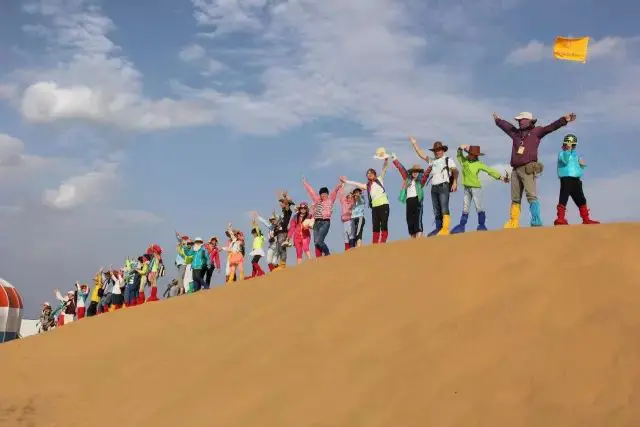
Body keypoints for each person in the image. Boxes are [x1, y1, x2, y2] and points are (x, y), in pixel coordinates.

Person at [493, 111, 576, 228]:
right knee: (515, 197)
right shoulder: (516, 134)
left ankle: (536, 220)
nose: (519, 122)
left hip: (528, 168)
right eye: (518, 121)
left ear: (528, 120)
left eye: (521, 120)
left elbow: (550, 127)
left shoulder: (536, 132)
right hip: (515, 170)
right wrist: (498, 121)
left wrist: (564, 120)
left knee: (531, 195)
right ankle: (514, 222)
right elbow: (507, 127)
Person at [451, 145, 509, 233]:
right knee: (465, 207)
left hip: (476, 188)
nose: (472, 156)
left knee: (479, 207)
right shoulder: (464, 161)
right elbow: (459, 155)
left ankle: (481, 225)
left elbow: (489, 170)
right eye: (471, 154)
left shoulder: (478, 164)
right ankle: (461, 226)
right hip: (467, 188)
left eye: (474, 155)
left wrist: (501, 177)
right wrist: (460, 148)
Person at [411, 139, 458, 236]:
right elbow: (421, 154)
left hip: (444, 186)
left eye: (439, 150)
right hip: (434, 187)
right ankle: (438, 228)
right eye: (436, 150)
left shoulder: (448, 160)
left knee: (444, 207)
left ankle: (445, 229)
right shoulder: (432, 161)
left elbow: (455, 171)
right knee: (436, 209)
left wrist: (455, 182)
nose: (437, 152)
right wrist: (415, 144)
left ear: (443, 150)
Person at [341, 158, 391, 244]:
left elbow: (384, 169)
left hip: (384, 205)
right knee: (375, 225)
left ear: (374, 174)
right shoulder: (367, 185)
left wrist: (386, 161)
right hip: (374, 207)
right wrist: (346, 181)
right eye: (368, 174)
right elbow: (356, 183)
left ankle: (383, 242)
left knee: (383, 223)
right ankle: (375, 243)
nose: (369, 174)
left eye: (371, 173)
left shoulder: (379, 179)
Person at [553, 134, 599, 226]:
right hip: (566, 178)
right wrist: (567, 150)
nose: (571, 146)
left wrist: (582, 165)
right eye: (568, 144)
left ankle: (586, 219)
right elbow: (565, 160)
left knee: (581, 200)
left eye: (572, 145)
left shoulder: (576, 155)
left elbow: (579, 168)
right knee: (564, 197)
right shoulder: (562, 153)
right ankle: (560, 219)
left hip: (576, 180)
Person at [391, 146, 431, 238]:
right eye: (413, 172)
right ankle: (412, 236)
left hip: (417, 200)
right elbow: (402, 169)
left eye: (416, 172)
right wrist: (395, 160)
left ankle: (419, 235)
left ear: (419, 173)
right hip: (409, 201)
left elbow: (426, 175)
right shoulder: (408, 179)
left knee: (417, 218)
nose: (415, 173)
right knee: (409, 219)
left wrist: (430, 166)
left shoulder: (421, 181)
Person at [302, 177, 340, 257]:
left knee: (319, 241)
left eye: (325, 193)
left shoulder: (330, 200)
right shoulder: (317, 200)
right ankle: (318, 259)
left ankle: (327, 254)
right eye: (322, 194)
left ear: (327, 194)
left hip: (325, 222)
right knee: (316, 242)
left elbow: (334, 191)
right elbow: (311, 192)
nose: (323, 195)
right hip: (316, 223)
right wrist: (305, 183)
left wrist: (340, 184)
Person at [274, 191, 295, 269]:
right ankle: (281, 264)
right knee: (279, 248)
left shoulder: (288, 211)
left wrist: (285, 197)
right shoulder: (283, 212)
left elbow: (287, 206)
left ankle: (283, 265)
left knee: (282, 248)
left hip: (283, 233)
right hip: (279, 233)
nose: (280, 204)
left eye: (282, 203)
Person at [337, 184, 354, 250]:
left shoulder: (353, 203)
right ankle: (346, 249)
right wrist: (342, 186)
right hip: (344, 222)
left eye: (351, 197)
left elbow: (357, 195)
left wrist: (353, 194)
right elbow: (341, 195)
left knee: (351, 235)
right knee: (345, 236)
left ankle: (352, 248)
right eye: (348, 197)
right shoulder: (344, 202)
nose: (349, 198)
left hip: (350, 221)